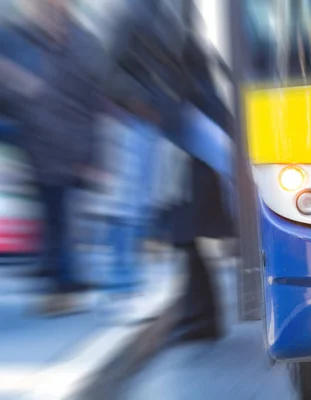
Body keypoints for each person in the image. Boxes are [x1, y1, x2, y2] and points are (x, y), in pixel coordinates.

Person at [109, 0, 235, 339]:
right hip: (165, 132)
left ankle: (201, 317)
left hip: (193, 127)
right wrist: (147, 106)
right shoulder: (135, 13)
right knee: (179, 225)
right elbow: (113, 76)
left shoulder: (181, 10)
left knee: (188, 224)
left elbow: (203, 70)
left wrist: (225, 122)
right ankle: (198, 317)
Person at [1, 0, 107, 315]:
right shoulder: (19, 39)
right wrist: (18, 87)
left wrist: (92, 155)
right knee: (54, 215)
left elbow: (92, 105)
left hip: (67, 144)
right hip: (37, 143)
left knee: (58, 216)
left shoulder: (84, 45)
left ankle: (61, 282)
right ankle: (60, 280)